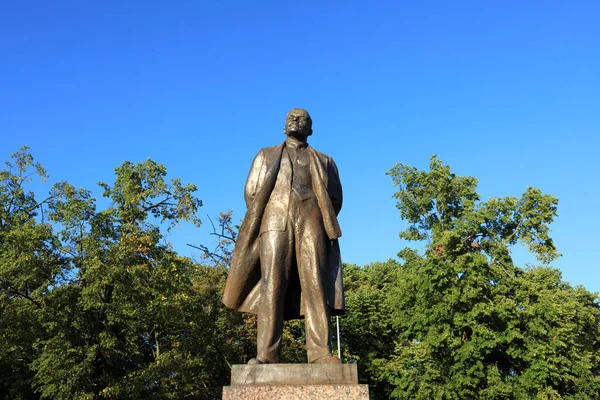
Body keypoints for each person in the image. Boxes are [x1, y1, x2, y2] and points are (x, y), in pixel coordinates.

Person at [222, 108, 344, 364]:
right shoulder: (266, 155)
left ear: (310, 129)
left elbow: (335, 199)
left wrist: (317, 217)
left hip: (312, 221)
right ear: (284, 126)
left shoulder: (325, 161)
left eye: (302, 119)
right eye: (291, 117)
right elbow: (251, 193)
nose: (295, 120)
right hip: (275, 221)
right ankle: (266, 355)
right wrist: (274, 211)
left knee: (315, 285)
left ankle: (321, 354)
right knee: (272, 285)